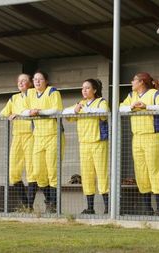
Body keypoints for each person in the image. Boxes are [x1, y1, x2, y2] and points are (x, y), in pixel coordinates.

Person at [119, 72, 159, 216]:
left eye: (134, 80)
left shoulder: (154, 94)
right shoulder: (131, 96)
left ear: (141, 82)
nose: (132, 82)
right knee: (141, 172)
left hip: (153, 136)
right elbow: (120, 108)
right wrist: (132, 107)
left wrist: (146, 106)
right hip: (137, 137)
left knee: (155, 170)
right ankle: (148, 208)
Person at [0, 74, 36, 211]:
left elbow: (35, 111)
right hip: (17, 136)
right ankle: (26, 204)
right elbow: (5, 113)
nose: (21, 83)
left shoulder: (34, 94)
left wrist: (20, 115)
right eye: (19, 81)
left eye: (24, 80)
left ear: (30, 83)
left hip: (31, 135)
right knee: (13, 173)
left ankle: (30, 205)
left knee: (32, 171)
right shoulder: (14, 98)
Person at [62, 79, 109, 215]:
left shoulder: (101, 102)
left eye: (87, 88)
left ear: (94, 90)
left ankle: (108, 208)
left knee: (101, 174)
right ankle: (90, 208)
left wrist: (83, 110)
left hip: (98, 143)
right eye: (83, 88)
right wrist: (75, 110)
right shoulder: (80, 104)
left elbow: (103, 112)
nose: (84, 90)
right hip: (84, 144)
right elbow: (65, 113)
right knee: (87, 176)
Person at [21, 70, 64, 213]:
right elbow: (23, 110)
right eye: (35, 79)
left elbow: (57, 110)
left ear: (46, 81)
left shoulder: (52, 92)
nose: (37, 81)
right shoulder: (31, 93)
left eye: (40, 79)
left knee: (52, 171)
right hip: (38, 136)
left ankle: (53, 205)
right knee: (38, 172)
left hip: (53, 135)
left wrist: (39, 112)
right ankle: (49, 201)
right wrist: (30, 112)